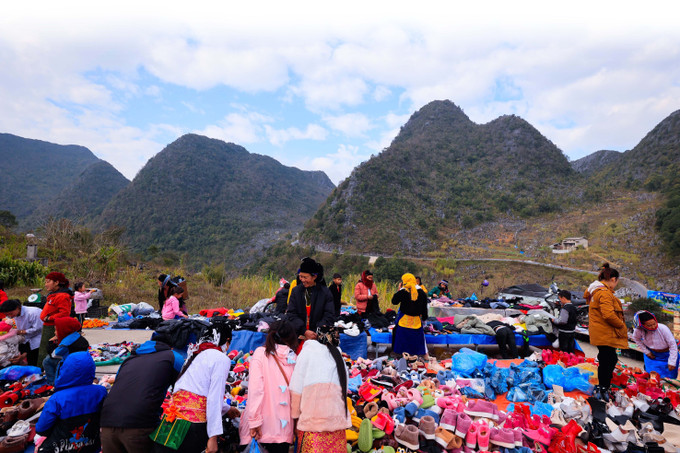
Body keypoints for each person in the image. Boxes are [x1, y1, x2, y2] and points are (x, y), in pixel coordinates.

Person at [152, 323, 235, 453]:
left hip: (171, 420)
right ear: (227, 341)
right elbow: (214, 398)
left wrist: (227, 409)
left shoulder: (194, 355)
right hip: (192, 426)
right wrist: (213, 437)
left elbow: (194, 392)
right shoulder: (221, 358)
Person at [100, 333, 185, 453]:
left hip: (107, 422)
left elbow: (119, 380)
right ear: (172, 346)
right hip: (139, 424)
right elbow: (185, 387)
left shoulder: (130, 358)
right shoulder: (173, 356)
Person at [240, 320, 298, 453]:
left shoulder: (261, 353)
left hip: (260, 428)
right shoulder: (294, 358)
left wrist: (254, 422)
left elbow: (256, 390)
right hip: (284, 431)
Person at [290, 326, 351, 453]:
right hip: (337, 428)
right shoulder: (339, 357)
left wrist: (295, 417)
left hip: (312, 426)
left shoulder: (308, 352)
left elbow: (296, 389)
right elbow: (344, 391)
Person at [35, 351, 108, 453]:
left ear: (66, 369)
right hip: (91, 446)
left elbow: (41, 428)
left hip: (61, 448)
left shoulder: (57, 398)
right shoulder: (101, 391)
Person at [588, 263, 626, 401]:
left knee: (607, 359)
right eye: (616, 282)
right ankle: (603, 387)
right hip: (605, 333)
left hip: (601, 332)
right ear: (613, 279)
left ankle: (603, 386)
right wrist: (621, 325)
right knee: (608, 360)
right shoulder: (604, 293)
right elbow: (608, 314)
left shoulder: (596, 291)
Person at [286, 257, 336, 341]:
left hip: (318, 336)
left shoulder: (325, 293)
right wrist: (304, 331)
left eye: (305, 277)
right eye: (300, 276)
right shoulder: (296, 291)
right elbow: (291, 314)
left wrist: (316, 332)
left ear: (314, 277)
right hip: (298, 335)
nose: (302, 280)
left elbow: (329, 315)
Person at [38, 271, 73, 365]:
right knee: (44, 352)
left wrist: (49, 318)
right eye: (45, 282)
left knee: (49, 353)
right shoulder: (54, 295)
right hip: (48, 327)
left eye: (48, 281)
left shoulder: (62, 296)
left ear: (56, 282)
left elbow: (64, 313)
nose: (46, 284)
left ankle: (48, 371)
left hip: (53, 328)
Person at [43, 317, 89, 385]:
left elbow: (53, 354)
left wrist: (50, 342)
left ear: (64, 330)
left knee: (47, 360)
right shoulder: (76, 336)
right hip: (84, 365)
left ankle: (53, 383)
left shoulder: (66, 343)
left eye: (56, 330)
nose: (54, 332)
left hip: (73, 367)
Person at [391, 273, 428, 358]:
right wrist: (424, 318)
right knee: (415, 339)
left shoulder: (403, 291)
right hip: (416, 321)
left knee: (403, 339)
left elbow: (394, 301)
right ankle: (414, 357)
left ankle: (401, 356)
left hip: (404, 320)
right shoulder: (422, 292)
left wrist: (400, 289)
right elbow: (424, 308)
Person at [633, 310, 679, 379]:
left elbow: (673, 345)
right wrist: (647, 352)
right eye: (649, 325)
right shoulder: (638, 330)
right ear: (642, 325)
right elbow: (636, 339)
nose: (653, 326)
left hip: (668, 355)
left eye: (654, 323)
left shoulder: (663, 328)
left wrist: (672, 361)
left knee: (669, 379)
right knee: (653, 377)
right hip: (652, 356)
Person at [0, 298, 43, 366]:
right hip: (24, 341)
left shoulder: (33, 312)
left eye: (11, 313)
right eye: (7, 315)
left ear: (18, 307)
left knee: (35, 362)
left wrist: (22, 331)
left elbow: (39, 328)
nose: (10, 316)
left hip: (37, 341)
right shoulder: (13, 315)